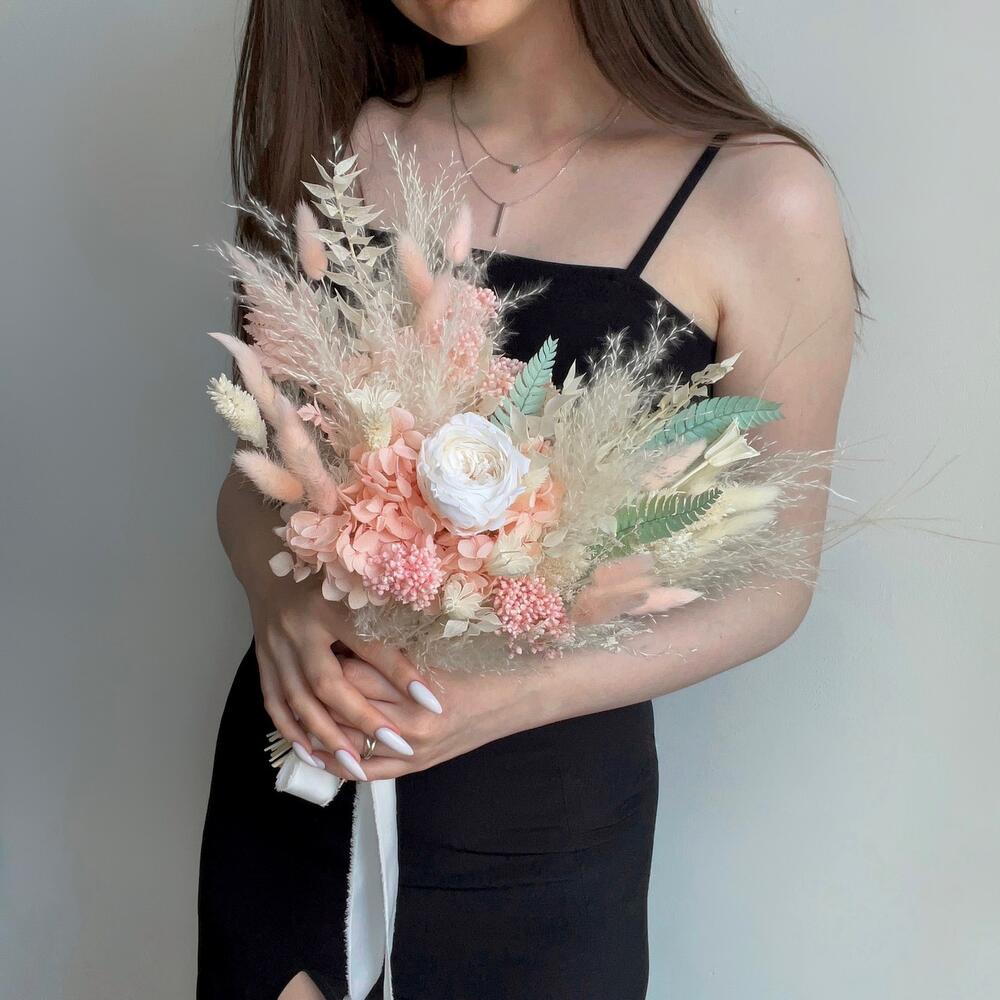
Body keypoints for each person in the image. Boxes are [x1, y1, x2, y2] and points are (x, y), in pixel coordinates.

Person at [198, 2, 856, 997]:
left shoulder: (761, 195)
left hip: (545, 838)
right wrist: (276, 592)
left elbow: (774, 580)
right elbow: (255, 477)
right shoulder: (349, 146)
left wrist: (509, 697)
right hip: (302, 790)